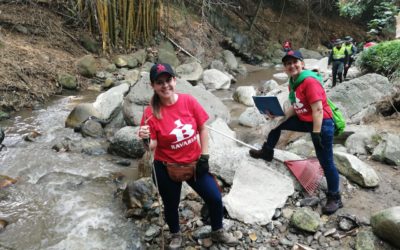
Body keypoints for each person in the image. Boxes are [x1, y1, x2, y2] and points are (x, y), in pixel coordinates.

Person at [138, 63, 238, 249]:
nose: (165, 85)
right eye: (160, 82)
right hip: (166, 166)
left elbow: (202, 128)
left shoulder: (188, 101)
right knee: (171, 204)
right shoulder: (150, 113)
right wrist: (146, 138)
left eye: (168, 80)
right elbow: (152, 146)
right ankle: (176, 234)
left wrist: (205, 157)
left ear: (175, 80)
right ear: (153, 85)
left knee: (215, 197)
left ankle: (218, 231)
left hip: (194, 163)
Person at [249, 50, 343, 215]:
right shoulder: (294, 82)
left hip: (322, 123)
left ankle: (335, 197)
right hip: (306, 120)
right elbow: (296, 106)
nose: (291, 65)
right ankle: (267, 151)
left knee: (325, 160)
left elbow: (318, 110)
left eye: (295, 62)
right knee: (276, 125)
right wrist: (279, 116)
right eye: (288, 63)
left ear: (302, 63)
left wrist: (316, 133)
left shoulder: (309, 81)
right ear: (284, 68)